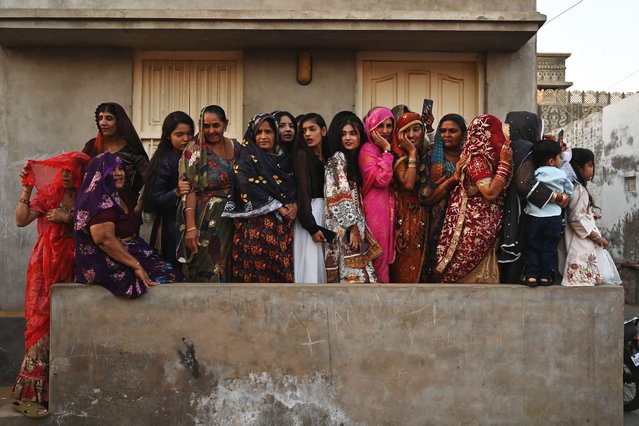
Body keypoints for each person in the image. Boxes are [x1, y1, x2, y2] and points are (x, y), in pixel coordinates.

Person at [12, 152, 90, 419]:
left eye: (71, 169)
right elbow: (21, 220)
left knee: (68, 328)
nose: (66, 174)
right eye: (63, 170)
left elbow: (101, 230)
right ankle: (32, 393)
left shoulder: (88, 198)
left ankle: (67, 392)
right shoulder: (49, 195)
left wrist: (70, 219)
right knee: (40, 326)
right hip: (44, 267)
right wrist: (27, 188)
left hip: (75, 269)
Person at [74, 153, 183, 297]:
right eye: (113, 170)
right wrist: (136, 265)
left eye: (121, 169)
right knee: (164, 278)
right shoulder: (100, 201)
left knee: (174, 274)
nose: (119, 174)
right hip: (107, 261)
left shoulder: (119, 195)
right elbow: (104, 239)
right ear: (99, 175)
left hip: (129, 252)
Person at [435, 114, 513, 283]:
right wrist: (505, 164)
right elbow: (490, 193)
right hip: (474, 227)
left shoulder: (489, 158)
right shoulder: (478, 160)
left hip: (484, 227)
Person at [497, 111, 571, 283]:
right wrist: (557, 197)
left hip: (505, 206)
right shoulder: (526, 148)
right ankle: (539, 276)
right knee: (538, 246)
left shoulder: (507, 145)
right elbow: (524, 183)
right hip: (528, 211)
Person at [222, 113, 297, 282]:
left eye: (268, 132)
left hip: (281, 227)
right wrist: (278, 206)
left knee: (280, 273)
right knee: (253, 274)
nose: (263, 137)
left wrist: (294, 205)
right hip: (253, 227)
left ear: (276, 134)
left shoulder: (284, 160)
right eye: (259, 132)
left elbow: (293, 184)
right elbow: (246, 184)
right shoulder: (246, 158)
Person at [176, 105, 239, 282]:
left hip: (233, 218)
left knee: (230, 270)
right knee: (207, 269)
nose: (211, 131)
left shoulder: (236, 147)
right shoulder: (193, 150)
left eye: (216, 126)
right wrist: (190, 228)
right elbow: (189, 191)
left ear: (226, 125)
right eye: (206, 126)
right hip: (205, 219)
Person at [324, 112, 380, 283]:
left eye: (353, 133)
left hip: (353, 225)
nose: (348, 138)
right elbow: (338, 195)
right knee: (354, 277)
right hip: (344, 227)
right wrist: (353, 228)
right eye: (343, 134)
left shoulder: (352, 160)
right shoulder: (338, 158)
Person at [559, 148, 620, 286]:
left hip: (582, 235)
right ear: (579, 167)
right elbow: (575, 219)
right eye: (590, 165)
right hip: (580, 239)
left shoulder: (577, 187)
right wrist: (596, 237)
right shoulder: (578, 189)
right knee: (582, 278)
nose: (592, 170)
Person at [142, 111, 194, 267]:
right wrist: (176, 193)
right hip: (170, 227)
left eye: (189, 134)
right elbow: (152, 200)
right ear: (167, 136)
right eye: (179, 134)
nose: (185, 139)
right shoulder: (165, 161)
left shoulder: (194, 157)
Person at [419, 114, 467, 281]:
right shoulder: (432, 157)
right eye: (443, 131)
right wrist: (452, 180)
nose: (446, 135)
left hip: (465, 222)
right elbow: (425, 197)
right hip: (437, 223)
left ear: (463, 134)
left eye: (452, 131)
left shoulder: (470, 157)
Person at [521, 140, 574, 286]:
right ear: (551, 161)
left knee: (533, 246)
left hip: (534, 216)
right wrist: (562, 195)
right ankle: (545, 276)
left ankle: (531, 275)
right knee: (549, 246)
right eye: (559, 157)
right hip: (554, 218)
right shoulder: (562, 175)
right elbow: (569, 191)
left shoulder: (536, 173)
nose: (560, 160)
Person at [389, 112, 429, 282]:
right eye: (406, 131)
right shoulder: (398, 155)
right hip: (404, 217)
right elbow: (408, 184)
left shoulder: (425, 152)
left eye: (416, 129)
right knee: (406, 265)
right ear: (399, 134)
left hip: (422, 214)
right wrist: (411, 153)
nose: (412, 135)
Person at [82, 102, 149, 201]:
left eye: (109, 118)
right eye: (100, 118)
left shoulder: (131, 149)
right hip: (94, 207)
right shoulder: (92, 146)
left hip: (125, 207)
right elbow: (79, 174)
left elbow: (150, 182)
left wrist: (139, 206)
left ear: (119, 122)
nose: (103, 123)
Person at [359, 107, 395, 282]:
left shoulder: (380, 149)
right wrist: (387, 151)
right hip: (375, 211)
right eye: (381, 126)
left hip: (386, 210)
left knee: (387, 257)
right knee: (378, 257)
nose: (386, 131)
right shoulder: (368, 150)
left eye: (389, 126)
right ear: (371, 126)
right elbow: (382, 180)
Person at [293, 113, 329, 283]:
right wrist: (312, 227)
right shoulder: (302, 155)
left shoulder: (328, 157)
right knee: (311, 265)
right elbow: (302, 193)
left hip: (326, 213)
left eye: (312, 129)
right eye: (304, 131)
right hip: (310, 214)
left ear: (323, 131)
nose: (307, 134)